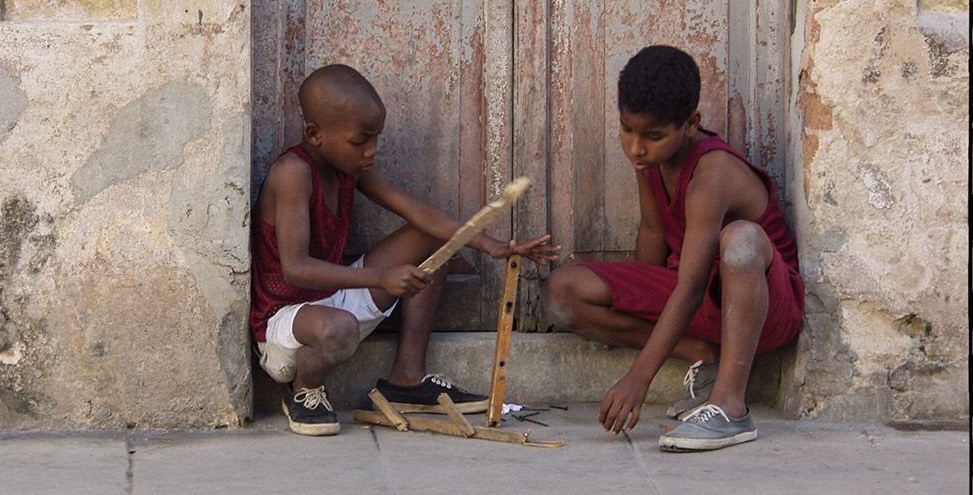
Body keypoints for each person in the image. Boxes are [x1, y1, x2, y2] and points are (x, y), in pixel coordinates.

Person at [252, 63, 558, 436]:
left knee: (433, 241)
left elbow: (418, 213)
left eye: (375, 139)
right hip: (284, 322)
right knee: (339, 327)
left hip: (332, 298)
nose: (371, 151)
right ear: (315, 134)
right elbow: (296, 269)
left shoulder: (349, 168)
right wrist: (381, 278)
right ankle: (305, 388)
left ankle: (407, 378)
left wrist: (489, 245)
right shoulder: (292, 174)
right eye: (359, 141)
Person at [541, 45, 804, 451]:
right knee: (562, 293)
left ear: (691, 124)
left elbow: (692, 286)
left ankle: (730, 407)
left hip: (762, 308)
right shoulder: (649, 160)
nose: (636, 147)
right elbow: (652, 231)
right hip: (698, 299)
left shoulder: (712, 174)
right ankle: (703, 354)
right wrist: (630, 307)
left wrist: (639, 376)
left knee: (741, 240)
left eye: (653, 135)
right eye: (627, 129)